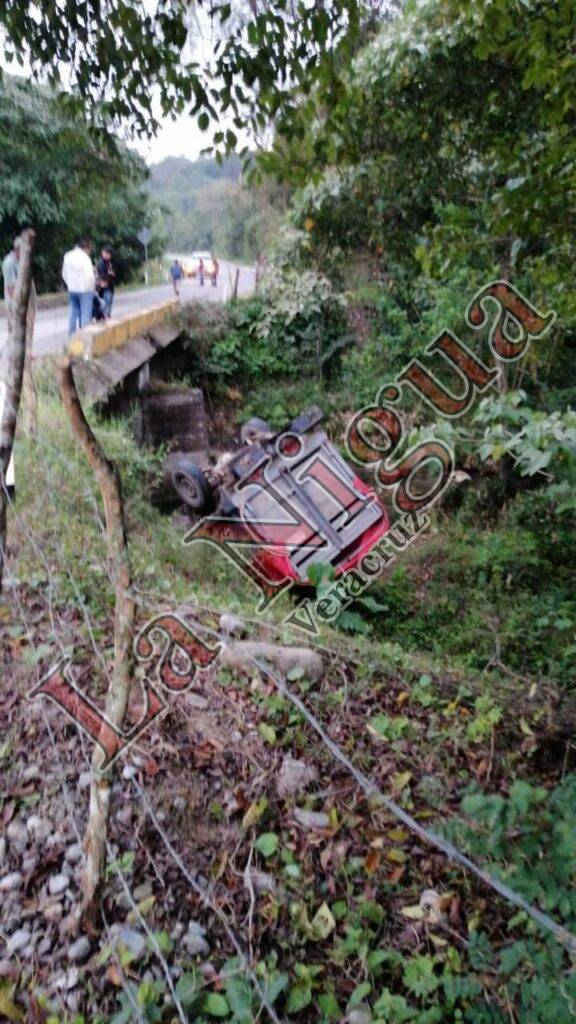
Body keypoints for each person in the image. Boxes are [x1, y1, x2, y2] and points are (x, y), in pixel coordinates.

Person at [62, 237, 96, 335]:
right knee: (85, 314)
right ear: (86, 247)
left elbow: (64, 273)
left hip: (72, 289)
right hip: (85, 290)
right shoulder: (85, 258)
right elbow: (90, 276)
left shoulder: (67, 256)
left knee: (73, 312)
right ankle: (84, 336)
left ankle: (71, 335)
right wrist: (91, 288)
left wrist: (69, 284)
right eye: (90, 248)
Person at [2, 236, 22, 307]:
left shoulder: (18, 261)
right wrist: (19, 305)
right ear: (18, 250)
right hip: (14, 303)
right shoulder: (9, 262)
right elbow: (10, 288)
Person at [96, 244, 116, 317]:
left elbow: (113, 273)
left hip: (110, 286)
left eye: (108, 253)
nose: (107, 255)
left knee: (109, 303)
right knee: (105, 303)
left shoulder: (109, 262)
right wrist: (109, 274)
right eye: (105, 253)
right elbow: (102, 275)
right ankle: (100, 317)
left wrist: (111, 273)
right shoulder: (101, 262)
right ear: (102, 252)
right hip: (104, 287)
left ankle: (107, 317)